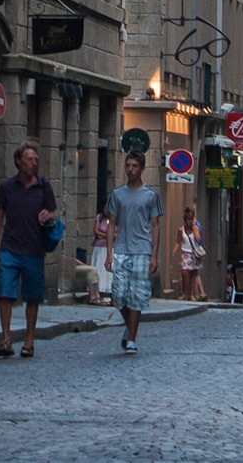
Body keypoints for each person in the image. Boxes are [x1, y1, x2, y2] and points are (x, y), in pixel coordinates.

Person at [0, 142, 56, 358]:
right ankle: (6, 339)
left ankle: (29, 341)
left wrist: (49, 215)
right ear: (18, 162)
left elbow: (53, 214)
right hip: (10, 247)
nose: (34, 163)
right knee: (5, 293)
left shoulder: (44, 186)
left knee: (32, 297)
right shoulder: (7, 187)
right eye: (30, 159)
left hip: (34, 249)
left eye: (36, 159)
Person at [104, 151, 165, 353]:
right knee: (119, 295)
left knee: (137, 295)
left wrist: (154, 255)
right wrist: (109, 253)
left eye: (134, 166)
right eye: (127, 165)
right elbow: (111, 223)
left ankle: (131, 338)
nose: (130, 169)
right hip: (121, 248)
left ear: (142, 169)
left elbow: (155, 226)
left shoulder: (150, 195)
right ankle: (130, 326)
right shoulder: (117, 194)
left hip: (142, 249)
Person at [177, 207, 206, 300]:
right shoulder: (181, 229)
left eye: (191, 220)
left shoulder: (196, 228)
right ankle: (185, 293)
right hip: (186, 253)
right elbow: (178, 241)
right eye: (188, 220)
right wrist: (175, 250)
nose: (189, 222)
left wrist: (195, 229)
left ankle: (192, 294)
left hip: (194, 254)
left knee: (194, 274)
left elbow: (198, 239)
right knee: (185, 272)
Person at [87, 210, 114, 306]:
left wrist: (108, 237)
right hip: (99, 248)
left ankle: (111, 294)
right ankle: (98, 293)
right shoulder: (100, 218)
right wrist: (109, 236)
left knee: (109, 272)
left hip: (111, 248)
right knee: (99, 269)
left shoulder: (115, 219)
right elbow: (96, 231)